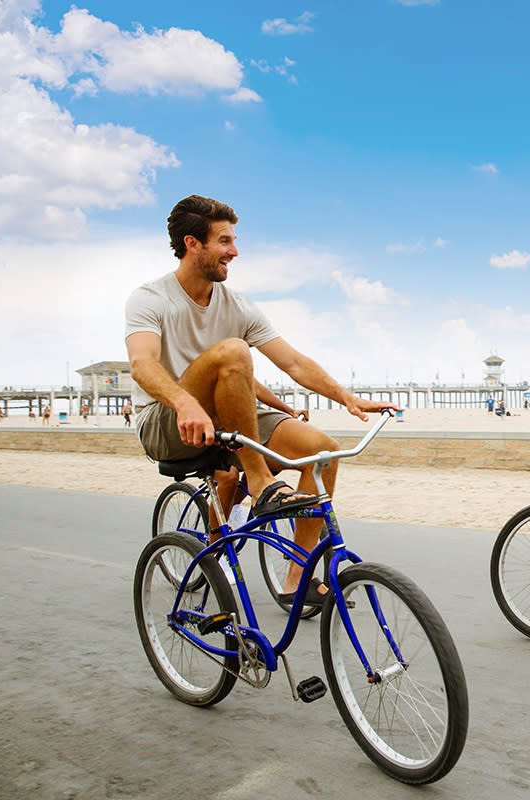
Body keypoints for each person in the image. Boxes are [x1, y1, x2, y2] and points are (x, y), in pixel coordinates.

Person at [125, 194, 399, 605]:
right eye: (224, 241)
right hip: (166, 420)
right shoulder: (151, 298)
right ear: (191, 243)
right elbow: (142, 365)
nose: (234, 251)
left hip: (224, 416)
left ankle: (297, 579)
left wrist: (348, 398)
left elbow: (293, 362)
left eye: (233, 241)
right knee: (234, 350)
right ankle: (258, 481)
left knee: (322, 451)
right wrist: (185, 403)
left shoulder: (238, 305)